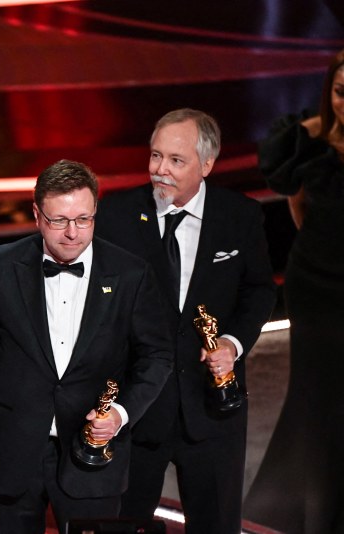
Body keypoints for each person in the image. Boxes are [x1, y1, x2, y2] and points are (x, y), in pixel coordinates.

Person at [0, 159, 174, 533]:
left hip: (94, 458)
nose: (73, 233)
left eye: (84, 219)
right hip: (12, 454)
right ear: (37, 215)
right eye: (59, 221)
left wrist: (120, 415)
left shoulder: (130, 273)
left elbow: (156, 355)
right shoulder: (1, 265)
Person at [95, 108, 276, 533]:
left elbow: (259, 290)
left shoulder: (240, 217)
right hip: (133, 411)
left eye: (176, 160)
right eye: (156, 156)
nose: (160, 170)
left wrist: (231, 342)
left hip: (211, 410)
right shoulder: (116, 216)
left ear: (207, 165)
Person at [243, 49, 344, 533]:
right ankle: (315, 514)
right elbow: (298, 206)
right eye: (342, 93)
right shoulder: (309, 141)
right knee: (317, 396)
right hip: (316, 286)